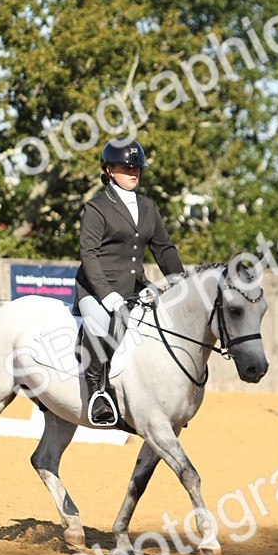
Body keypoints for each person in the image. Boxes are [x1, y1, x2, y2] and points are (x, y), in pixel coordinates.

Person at [74, 138, 184, 426]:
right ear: (109, 169)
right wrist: (106, 295)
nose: (133, 171)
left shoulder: (148, 206)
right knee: (99, 324)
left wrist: (181, 281)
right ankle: (97, 395)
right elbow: (89, 254)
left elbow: (163, 248)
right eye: (126, 167)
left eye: (137, 167)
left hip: (135, 287)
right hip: (96, 288)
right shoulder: (96, 207)